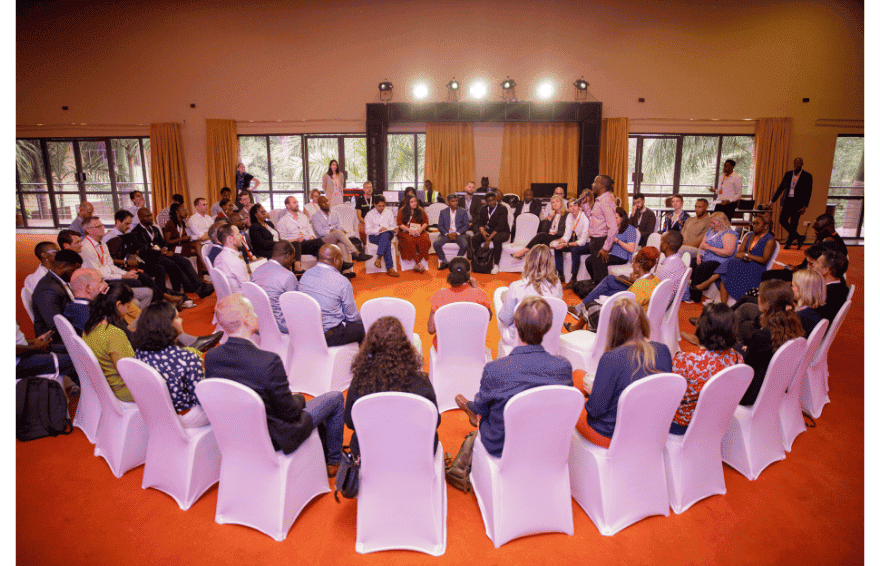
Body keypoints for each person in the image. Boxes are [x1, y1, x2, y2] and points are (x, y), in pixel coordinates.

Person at [205, 294, 344, 477]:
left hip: (237, 435)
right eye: (252, 312)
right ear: (247, 320)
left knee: (300, 400)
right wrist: (298, 399)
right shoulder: (267, 362)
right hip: (275, 437)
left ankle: (324, 452)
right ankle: (334, 461)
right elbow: (290, 414)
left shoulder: (211, 357)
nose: (256, 315)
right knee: (335, 398)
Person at [455, 296, 574, 457]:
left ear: (516, 325)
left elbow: (483, 409)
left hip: (501, 446)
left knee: (484, 407)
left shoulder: (495, 369)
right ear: (548, 328)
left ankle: (471, 409)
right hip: (546, 443)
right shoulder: (563, 367)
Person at [576, 297, 672, 447]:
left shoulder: (611, 359)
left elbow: (595, 410)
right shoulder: (663, 350)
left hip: (611, 433)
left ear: (614, 327)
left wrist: (592, 394)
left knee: (574, 391)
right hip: (650, 426)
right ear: (642, 321)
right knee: (579, 375)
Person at [345, 316, 440, 459]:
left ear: (369, 346)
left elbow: (351, 422)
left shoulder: (359, 383)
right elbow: (435, 421)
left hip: (369, 454)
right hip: (415, 454)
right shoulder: (421, 382)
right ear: (405, 346)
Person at [571, 231, 686, 320]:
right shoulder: (680, 263)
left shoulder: (666, 269)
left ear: (666, 245)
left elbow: (649, 290)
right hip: (657, 301)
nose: (659, 243)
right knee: (611, 284)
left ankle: (583, 308)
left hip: (647, 304)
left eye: (661, 240)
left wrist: (636, 281)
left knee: (609, 283)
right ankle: (585, 308)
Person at [669, 303, 743, 435]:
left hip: (683, 425)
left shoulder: (684, 361)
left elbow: (670, 395)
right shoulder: (737, 359)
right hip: (717, 422)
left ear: (701, 327)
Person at [133, 302, 209, 428]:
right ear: (168, 325)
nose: (182, 319)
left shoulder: (140, 353)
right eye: (177, 317)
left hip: (154, 415)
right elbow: (200, 399)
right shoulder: (187, 358)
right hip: (184, 418)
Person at [739, 279, 804, 406]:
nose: (758, 297)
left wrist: (744, 350)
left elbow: (746, 367)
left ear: (767, 304)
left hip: (751, 392)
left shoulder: (763, 335)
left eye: (760, 296)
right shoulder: (793, 323)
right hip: (776, 386)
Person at [569, 246, 661, 333]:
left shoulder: (639, 286)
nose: (632, 266)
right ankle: (578, 328)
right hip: (642, 318)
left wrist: (607, 305)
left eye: (633, 263)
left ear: (637, 266)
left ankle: (592, 339)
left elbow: (625, 310)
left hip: (627, 324)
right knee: (595, 303)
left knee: (590, 307)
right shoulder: (655, 280)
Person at [129, 207, 213, 299]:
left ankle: (200, 286)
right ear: (140, 217)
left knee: (185, 261)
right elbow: (143, 250)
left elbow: (163, 243)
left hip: (162, 254)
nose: (150, 218)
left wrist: (164, 249)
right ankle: (191, 289)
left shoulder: (154, 229)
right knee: (172, 264)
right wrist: (160, 251)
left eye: (150, 215)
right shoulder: (136, 232)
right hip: (150, 258)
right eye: (147, 216)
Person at [298, 244, 365, 347]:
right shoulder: (342, 281)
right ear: (336, 260)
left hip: (308, 330)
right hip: (329, 336)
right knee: (365, 326)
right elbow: (352, 317)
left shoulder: (306, 274)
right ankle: (363, 360)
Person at [497, 245, 563, 350]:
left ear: (528, 261)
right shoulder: (557, 284)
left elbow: (505, 319)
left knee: (499, 293)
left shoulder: (517, 286)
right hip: (548, 335)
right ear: (551, 263)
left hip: (519, 339)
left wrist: (507, 301)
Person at [80, 216, 156, 306]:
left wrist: (125, 274)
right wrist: (122, 277)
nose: (103, 228)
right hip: (101, 282)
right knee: (137, 282)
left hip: (109, 275)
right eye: (99, 226)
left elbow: (110, 265)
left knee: (141, 276)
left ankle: (157, 302)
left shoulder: (102, 244)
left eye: (102, 225)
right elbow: (99, 274)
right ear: (89, 230)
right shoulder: (86, 247)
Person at [82, 282, 137, 402]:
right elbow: (130, 373)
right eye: (127, 306)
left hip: (107, 387)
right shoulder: (114, 334)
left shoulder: (89, 327)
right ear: (118, 305)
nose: (128, 311)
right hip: (125, 390)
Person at [710, 213, 777, 303]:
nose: (754, 226)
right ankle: (723, 305)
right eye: (753, 223)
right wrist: (745, 256)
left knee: (729, 265)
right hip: (744, 263)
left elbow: (764, 260)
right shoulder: (749, 236)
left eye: (757, 223)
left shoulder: (770, 240)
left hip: (756, 268)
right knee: (728, 269)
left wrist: (747, 255)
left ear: (766, 226)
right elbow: (739, 253)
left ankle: (710, 284)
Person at [428, 256, 492, 349]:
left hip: (445, 349)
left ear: (449, 272)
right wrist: (477, 289)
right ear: (469, 271)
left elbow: (431, 329)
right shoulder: (479, 294)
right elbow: (488, 317)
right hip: (473, 349)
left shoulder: (439, 295)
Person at [311, 195, 369, 278]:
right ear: (319, 204)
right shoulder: (315, 216)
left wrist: (341, 230)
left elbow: (339, 226)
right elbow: (320, 232)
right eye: (323, 202)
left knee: (342, 244)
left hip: (336, 237)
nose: (326, 203)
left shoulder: (334, 213)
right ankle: (356, 252)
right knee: (338, 233)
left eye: (327, 201)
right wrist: (333, 231)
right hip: (324, 240)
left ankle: (346, 272)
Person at [32, 249, 82, 343]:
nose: (77, 273)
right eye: (75, 269)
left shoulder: (58, 282)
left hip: (68, 335)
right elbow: (56, 325)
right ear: (62, 266)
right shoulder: (48, 289)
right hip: (55, 342)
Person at [251, 241, 299, 333]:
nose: (291, 262)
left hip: (258, 323)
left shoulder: (256, 271)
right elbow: (295, 308)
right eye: (292, 259)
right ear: (287, 255)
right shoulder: (289, 276)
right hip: (281, 327)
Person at [688, 212, 737, 302]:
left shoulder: (729, 234)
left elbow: (728, 252)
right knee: (691, 263)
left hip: (721, 262)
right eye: (711, 223)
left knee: (702, 268)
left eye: (714, 223)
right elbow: (702, 245)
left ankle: (694, 297)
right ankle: (686, 291)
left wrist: (710, 248)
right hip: (706, 257)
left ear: (721, 222)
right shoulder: (710, 231)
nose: (712, 225)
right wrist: (699, 256)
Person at [16, 320, 77, 386]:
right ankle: (86, 390)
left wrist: (34, 341)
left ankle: (80, 386)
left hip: (26, 348)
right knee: (72, 361)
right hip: (18, 362)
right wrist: (36, 347)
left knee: (70, 349)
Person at [771, 157, 813, 249]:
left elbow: (808, 192)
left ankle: (788, 243)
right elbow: (781, 187)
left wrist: (805, 206)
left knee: (794, 223)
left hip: (798, 204)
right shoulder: (788, 174)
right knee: (782, 220)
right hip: (787, 201)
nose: (797, 165)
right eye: (796, 163)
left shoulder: (807, 176)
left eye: (799, 163)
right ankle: (799, 237)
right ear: (794, 164)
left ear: (802, 164)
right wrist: (772, 200)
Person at [586, 206, 637, 281]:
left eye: (616, 218)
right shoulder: (613, 228)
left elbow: (631, 249)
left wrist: (617, 240)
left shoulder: (630, 229)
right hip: (611, 254)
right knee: (589, 260)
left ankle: (602, 282)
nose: (613, 220)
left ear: (622, 218)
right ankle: (595, 281)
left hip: (622, 257)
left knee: (600, 260)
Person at [276, 195, 323, 274]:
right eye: (294, 202)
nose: (297, 204)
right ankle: (297, 267)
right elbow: (282, 239)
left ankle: (324, 268)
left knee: (319, 241)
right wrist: (296, 239)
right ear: (287, 205)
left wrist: (311, 237)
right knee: (297, 243)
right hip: (292, 246)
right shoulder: (283, 220)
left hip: (305, 243)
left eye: (297, 202)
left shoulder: (303, 217)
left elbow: (310, 231)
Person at [587, 175, 620, 282]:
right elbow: (593, 219)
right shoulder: (600, 200)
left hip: (600, 241)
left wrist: (606, 247)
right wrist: (585, 206)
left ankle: (602, 297)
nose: (592, 184)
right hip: (595, 240)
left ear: (600, 185)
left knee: (600, 276)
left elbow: (613, 227)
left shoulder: (606, 201)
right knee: (597, 273)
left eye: (594, 182)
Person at [511, 195, 567, 260]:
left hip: (560, 237)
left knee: (541, 236)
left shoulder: (566, 214)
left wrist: (557, 232)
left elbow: (568, 230)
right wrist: (549, 219)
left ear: (561, 203)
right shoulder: (552, 215)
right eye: (553, 202)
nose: (555, 204)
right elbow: (544, 229)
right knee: (540, 236)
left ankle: (524, 251)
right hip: (550, 236)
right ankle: (531, 259)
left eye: (557, 201)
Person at [470, 191, 510, 274]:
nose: (492, 202)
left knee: (497, 239)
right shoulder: (483, 209)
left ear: (495, 199)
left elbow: (500, 226)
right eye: (489, 200)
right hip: (489, 231)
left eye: (493, 200)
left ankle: (496, 264)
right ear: (486, 202)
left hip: (503, 231)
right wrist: (483, 232)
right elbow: (481, 223)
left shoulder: (502, 208)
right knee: (475, 238)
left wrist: (488, 239)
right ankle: (477, 260)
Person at [555, 200, 590, 284]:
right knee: (558, 248)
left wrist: (566, 244)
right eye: (570, 206)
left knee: (575, 249)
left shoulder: (585, 217)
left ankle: (573, 279)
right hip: (578, 242)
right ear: (568, 208)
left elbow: (583, 241)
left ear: (579, 207)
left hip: (589, 243)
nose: (573, 208)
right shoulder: (569, 216)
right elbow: (567, 235)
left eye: (575, 205)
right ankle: (561, 275)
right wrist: (559, 242)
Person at [364, 195, 399, 277]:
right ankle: (389, 268)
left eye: (383, 206)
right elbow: (367, 230)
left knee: (385, 234)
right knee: (385, 239)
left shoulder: (389, 212)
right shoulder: (369, 214)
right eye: (379, 206)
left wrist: (394, 228)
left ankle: (378, 258)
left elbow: (393, 225)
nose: (381, 208)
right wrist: (378, 230)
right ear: (375, 204)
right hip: (374, 236)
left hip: (388, 233)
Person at [433, 193, 469, 270]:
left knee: (464, 245)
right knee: (436, 244)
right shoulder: (443, 212)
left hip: (459, 234)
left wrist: (456, 233)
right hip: (447, 234)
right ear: (448, 202)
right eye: (453, 201)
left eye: (456, 201)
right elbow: (440, 225)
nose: (455, 203)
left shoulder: (463, 211)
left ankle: (456, 262)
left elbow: (466, 225)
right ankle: (445, 262)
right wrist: (447, 234)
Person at [397, 194, 431, 273]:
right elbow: (399, 223)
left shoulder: (420, 210)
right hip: (405, 231)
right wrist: (409, 230)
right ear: (407, 203)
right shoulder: (402, 210)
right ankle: (418, 263)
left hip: (418, 231)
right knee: (410, 240)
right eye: (411, 202)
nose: (414, 203)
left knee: (426, 239)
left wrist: (420, 229)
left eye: (415, 201)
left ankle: (417, 263)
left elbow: (426, 222)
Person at [213, 223, 250, 293]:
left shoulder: (218, 258)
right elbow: (247, 286)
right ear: (230, 239)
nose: (241, 236)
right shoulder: (235, 260)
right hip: (242, 299)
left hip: (227, 299)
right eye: (238, 234)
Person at [813, 247, 849, 321]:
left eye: (817, 262)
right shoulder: (841, 286)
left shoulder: (825, 295)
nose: (813, 264)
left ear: (825, 270)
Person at [792, 267, 825, 336]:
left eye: (793, 286)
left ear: (802, 290)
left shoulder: (800, 317)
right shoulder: (812, 311)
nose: (791, 288)